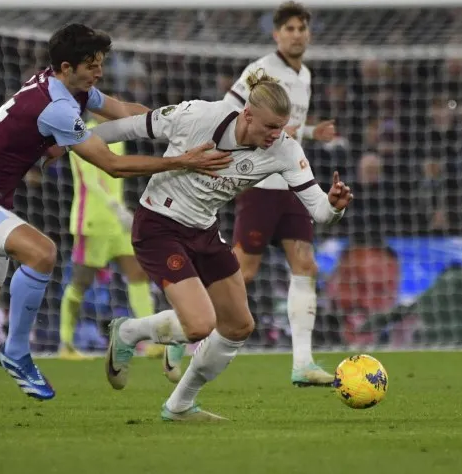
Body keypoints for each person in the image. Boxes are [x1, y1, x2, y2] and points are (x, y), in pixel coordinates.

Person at [0, 23, 231, 427]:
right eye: (92, 65)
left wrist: (180, 122)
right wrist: (183, 161)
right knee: (43, 252)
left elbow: (124, 112)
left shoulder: (65, 88)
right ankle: (16, 353)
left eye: (100, 64)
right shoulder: (57, 107)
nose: (99, 72)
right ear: (66, 66)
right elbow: (112, 165)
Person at [92, 69, 352, 421]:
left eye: (282, 127)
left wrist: (335, 205)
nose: (278, 135)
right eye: (270, 127)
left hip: (204, 231)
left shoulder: (285, 151)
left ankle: (179, 405)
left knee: (238, 326)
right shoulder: (199, 115)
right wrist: (73, 140)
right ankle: (128, 332)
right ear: (247, 114)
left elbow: (320, 212)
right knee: (199, 325)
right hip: (158, 225)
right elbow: (130, 126)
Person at [224, 1, 337, 386]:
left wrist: (308, 133)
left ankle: (302, 364)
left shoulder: (304, 74)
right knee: (243, 272)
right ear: (276, 35)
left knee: (305, 265)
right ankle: (182, 328)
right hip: (260, 184)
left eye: (302, 27)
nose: (296, 34)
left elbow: (286, 128)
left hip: (293, 183)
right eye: (289, 28)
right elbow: (230, 112)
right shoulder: (260, 70)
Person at [60, 113, 165, 362]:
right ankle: (65, 344)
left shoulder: (118, 136)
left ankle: (150, 341)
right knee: (81, 282)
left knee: (138, 274)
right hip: (93, 220)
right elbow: (90, 179)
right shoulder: (84, 134)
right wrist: (114, 207)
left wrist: (122, 211)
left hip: (117, 223)